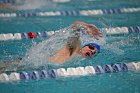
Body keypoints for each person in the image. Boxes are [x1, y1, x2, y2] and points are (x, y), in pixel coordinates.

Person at [0, 21, 102, 73]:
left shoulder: (78, 60)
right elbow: (75, 26)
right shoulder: (75, 47)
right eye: (91, 48)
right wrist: (87, 26)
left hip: (33, 66)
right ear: (85, 46)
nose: (92, 52)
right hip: (26, 64)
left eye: (94, 53)